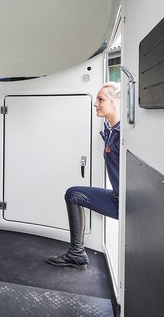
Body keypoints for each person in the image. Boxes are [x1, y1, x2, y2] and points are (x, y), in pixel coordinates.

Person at [47, 82, 121, 270]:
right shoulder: (112, 131)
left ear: (116, 102)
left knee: (72, 194)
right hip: (118, 197)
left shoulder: (123, 135)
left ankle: (76, 253)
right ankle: (77, 253)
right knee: (73, 195)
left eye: (101, 99)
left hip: (129, 203)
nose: (95, 103)